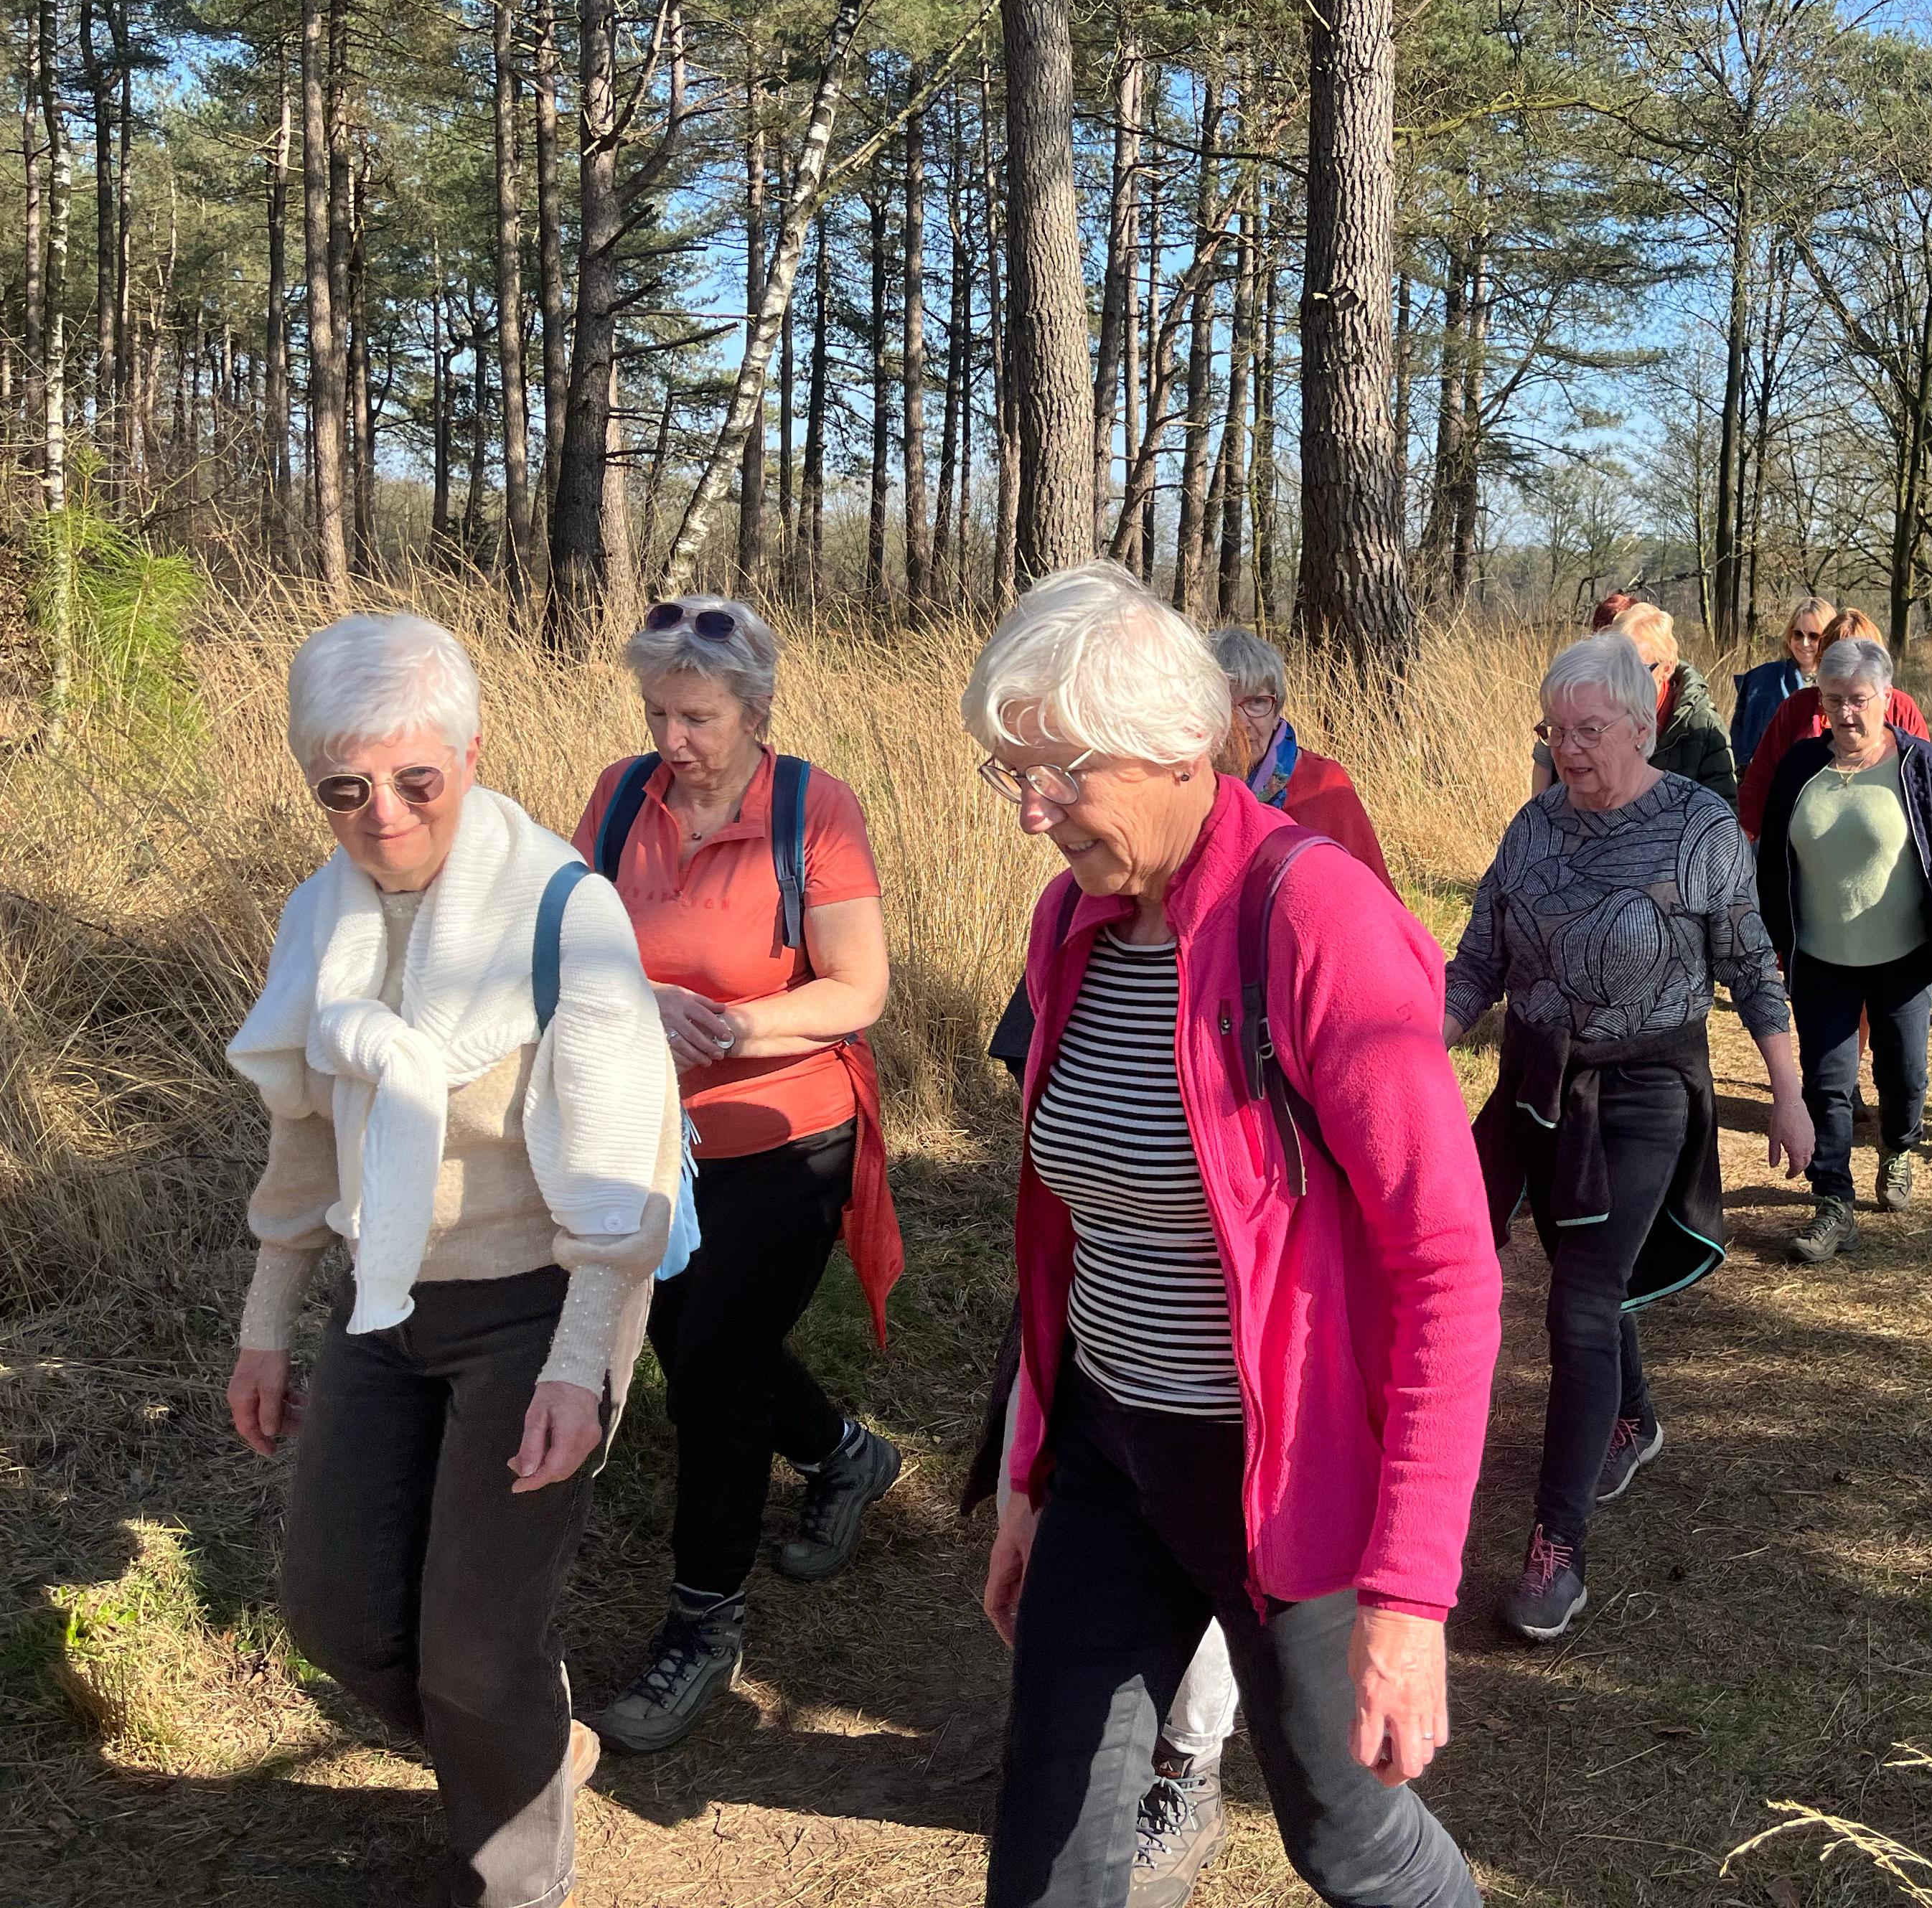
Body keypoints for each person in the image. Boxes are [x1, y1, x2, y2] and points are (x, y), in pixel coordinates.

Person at [970, 563, 1499, 1908]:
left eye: (1057, 773)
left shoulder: (1316, 922)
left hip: (1289, 1480)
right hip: (1109, 1453)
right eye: (1008, 773)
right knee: (1045, 1859)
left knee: (1351, 1840)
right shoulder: (1071, 921)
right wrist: (1030, 1471)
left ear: (1176, 745)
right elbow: (1068, 1229)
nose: (1031, 811)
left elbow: (1448, 1265)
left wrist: (1410, 1594)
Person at [226, 613, 681, 1908]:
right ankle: (537, 1749)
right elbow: (306, 1139)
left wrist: (577, 1364)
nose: (384, 815)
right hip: (382, 1306)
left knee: (476, 1655)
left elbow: (618, 1161)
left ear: (471, 754)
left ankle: (513, 1874)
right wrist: (269, 1319)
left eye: (416, 779)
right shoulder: (323, 916)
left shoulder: (561, 911)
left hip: (538, 1304)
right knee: (335, 1615)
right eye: (346, 787)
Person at [576, 595, 904, 1757]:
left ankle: (703, 1622)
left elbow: (855, 987)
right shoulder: (620, 797)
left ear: (756, 710)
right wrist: (630, 1002)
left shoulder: (814, 809)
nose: (673, 740)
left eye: (698, 717)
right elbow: (573, 939)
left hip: (787, 1134)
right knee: (702, 1342)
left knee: (711, 1373)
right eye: (658, 712)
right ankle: (842, 1454)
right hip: (646, 1135)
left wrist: (727, 1022)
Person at [1447, 633, 1815, 1645]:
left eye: (1589, 731)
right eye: (1554, 732)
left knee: (1578, 1298)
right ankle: (1634, 1418)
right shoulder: (1532, 830)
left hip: (1645, 1085)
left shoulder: (1698, 826)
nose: (1567, 750)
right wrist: (1400, 1059)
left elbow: (1751, 966)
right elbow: (1476, 965)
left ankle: (1556, 1549)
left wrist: (1789, 1094)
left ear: (1641, 725)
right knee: (1554, 1261)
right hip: (1535, 1078)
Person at [1753, 636, 1932, 1264]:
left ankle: (1901, 1148)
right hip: (1823, 961)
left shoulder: (1918, 764)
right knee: (1827, 1086)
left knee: (1903, 1074)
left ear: (1886, 698)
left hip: (1904, 957)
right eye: (1835, 700)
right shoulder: (1800, 767)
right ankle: (1833, 1203)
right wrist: (1767, 939)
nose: (1848, 713)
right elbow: (1770, 862)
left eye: (1859, 699)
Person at [1209, 626, 1394, 892]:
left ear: (1277, 713)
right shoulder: (1179, 787)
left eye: (1257, 702)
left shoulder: (1323, 787)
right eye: (1222, 704)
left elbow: (1378, 905)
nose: (1240, 723)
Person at [1737, 608, 1932, 840]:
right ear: (1821, 663)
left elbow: (1925, 787)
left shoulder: (1901, 709)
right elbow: (1761, 779)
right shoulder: (1797, 708)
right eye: (1836, 664)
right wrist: (1746, 841)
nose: (1846, 675)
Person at [1529, 601, 1736, 802]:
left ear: (1666, 668)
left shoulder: (1703, 727)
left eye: (1635, 670)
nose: (1619, 680)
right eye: (1611, 667)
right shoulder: (1581, 718)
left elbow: (1723, 813)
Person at [1730, 595, 1837, 769]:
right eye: (1798, 634)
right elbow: (1740, 739)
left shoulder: (1841, 685)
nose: (1804, 643)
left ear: (1828, 639)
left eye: (1814, 636)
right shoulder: (1762, 680)